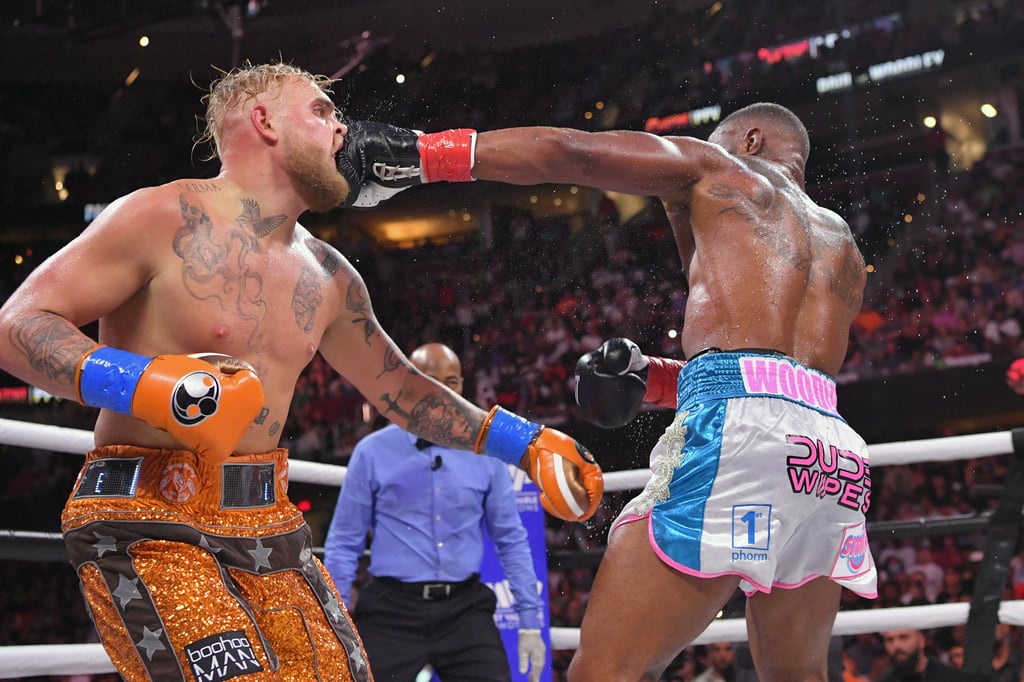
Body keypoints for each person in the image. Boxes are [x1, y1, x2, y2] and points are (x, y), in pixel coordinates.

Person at [0, 62, 602, 682]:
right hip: (148, 515)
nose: (343, 128)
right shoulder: (160, 217)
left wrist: (521, 443)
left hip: (267, 519)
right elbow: (18, 325)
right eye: (321, 111)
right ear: (263, 122)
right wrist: (152, 387)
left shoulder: (331, 276)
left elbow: (398, 388)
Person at [337, 101, 877, 680]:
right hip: (831, 458)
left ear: (748, 141)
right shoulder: (842, 244)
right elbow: (781, 374)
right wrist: (656, 377)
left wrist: (421, 154)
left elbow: (569, 150)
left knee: (605, 672)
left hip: (742, 439)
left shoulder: (721, 170)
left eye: (717, 142)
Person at [323, 342, 547, 682]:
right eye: (430, 378)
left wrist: (530, 621)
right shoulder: (371, 453)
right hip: (390, 611)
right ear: (410, 383)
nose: (443, 389)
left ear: (462, 386)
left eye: (452, 380)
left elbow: (511, 539)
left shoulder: (487, 454)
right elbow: (344, 541)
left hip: (465, 611)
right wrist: (333, 624)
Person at [878, 629, 969, 682]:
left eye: (904, 637)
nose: (896, 646)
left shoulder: (950, 678)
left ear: (921, 640)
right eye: (890, 640)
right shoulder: (886, 679)